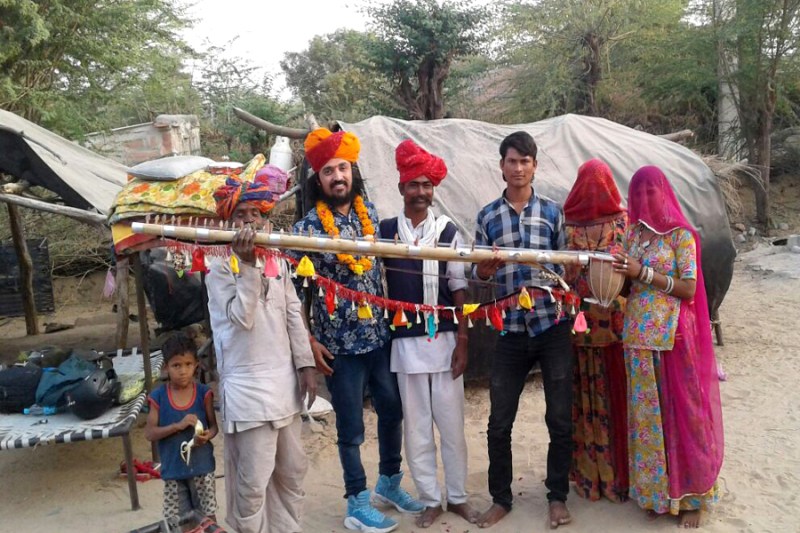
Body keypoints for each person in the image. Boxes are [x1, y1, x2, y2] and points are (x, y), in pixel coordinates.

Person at [293, 128, 423, 533]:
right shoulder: (307, 229)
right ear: (319, 180)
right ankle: (356, 503)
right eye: (329, 171)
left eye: (343, 168)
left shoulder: (371, 215)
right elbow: (292, 296)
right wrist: (308, 343)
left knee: (392, 412)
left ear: (353, 172)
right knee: (350, 429)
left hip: (379, 339)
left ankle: (388, 484)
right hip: (337, 347)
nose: (337, 176)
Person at [611, 165, 724, 529]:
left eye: (651, 192)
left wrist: (640, 272)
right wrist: (612, 276)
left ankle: (694, 495)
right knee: (647, 419)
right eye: (638, 193)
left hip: (674, 337)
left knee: (684, 413)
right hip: (637, 339)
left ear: (664, 192)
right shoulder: (632, 236)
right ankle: (659, 493)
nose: (644, 200)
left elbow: (689, 289)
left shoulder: (681, 236)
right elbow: (628, 290)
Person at [206, 170, 318, 533]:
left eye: (256, 214)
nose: (249, 221)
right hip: (247, 392)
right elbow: (242, 318)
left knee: (292, 473)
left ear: (267, 220)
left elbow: (292, 316)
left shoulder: (278, 263)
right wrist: (249, 268)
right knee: (252, 483)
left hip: (284, 385)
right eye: (241, 215)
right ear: (229, 222)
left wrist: (305, 365)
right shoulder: (219, 270)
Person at [474, 131, 574, 529]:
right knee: (499, 421)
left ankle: (557, 497)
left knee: (560, 417)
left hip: (553, 326)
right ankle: (501, 499)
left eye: (525, 161)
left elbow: (566, 268)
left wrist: (570, 271)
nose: (517, 168)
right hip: (511, 330)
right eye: (511, 161)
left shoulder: (553, 213)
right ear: (501, 166)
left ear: (535, 165)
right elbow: (478, 272)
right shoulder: (486, 217)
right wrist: (486, 270)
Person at [379, 139, 478, 529]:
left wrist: (465, 341)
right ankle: (430, 499)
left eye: (426, 185)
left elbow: (458, 287)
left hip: (447, 340)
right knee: (417, 427)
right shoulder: (385, 231)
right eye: (413, 185)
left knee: (451, 424)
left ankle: (458, 497)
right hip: (404, 344)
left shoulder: (447, 231)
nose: (420, 192)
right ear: (401, 188)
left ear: (432, 190)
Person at [562, 159, 629, 502]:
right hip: (581, 325)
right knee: (585, 394)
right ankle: (592, 476)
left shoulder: (624, 222)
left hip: (614, 328)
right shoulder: (566, 225)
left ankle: (615, 477)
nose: (592, 190)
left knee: (611, 393)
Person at [145, 331, 219, 531]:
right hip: (173, 472)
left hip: (202, 470)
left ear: (196, 365)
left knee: (207, 521)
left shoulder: (204, 394)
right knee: (179, 523)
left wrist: (205, 437)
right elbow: (150, 433)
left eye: (188, 364)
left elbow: (213, 427)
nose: (183, 371)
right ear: (166, 368)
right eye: (176, 365)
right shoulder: (158, 397)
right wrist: (177, 426)